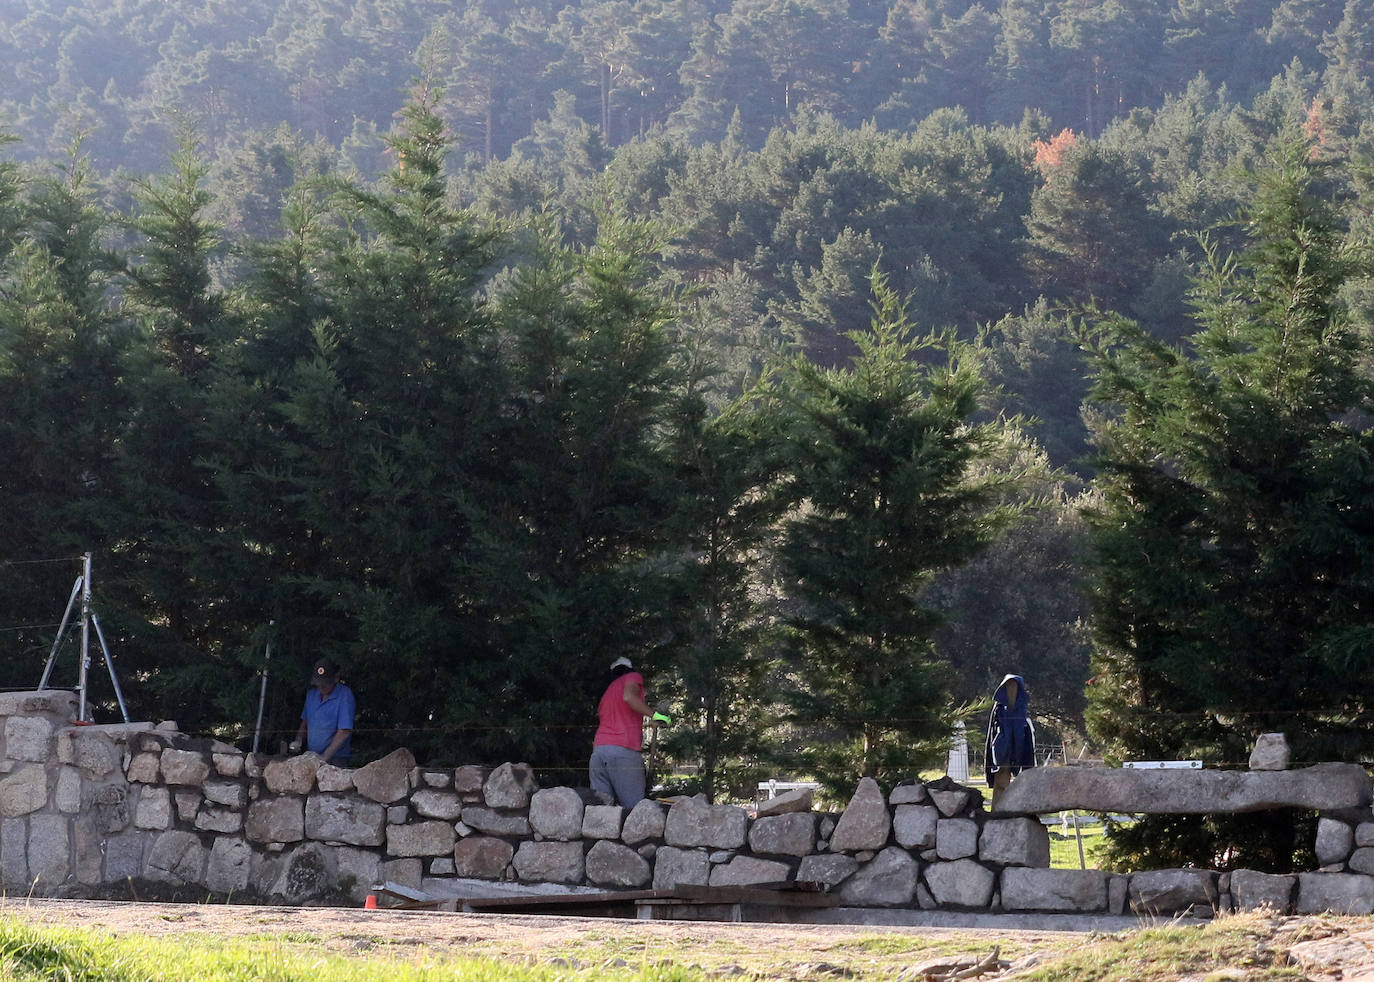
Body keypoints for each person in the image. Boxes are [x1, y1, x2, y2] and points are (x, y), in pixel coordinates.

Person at [589, 656, 666, 808]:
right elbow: (629, 697)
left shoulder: (607, 694)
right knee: (635, 811)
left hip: (598, 753)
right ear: (629, 669)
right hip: (623, 753)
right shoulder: (632, 677)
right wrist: (655, 716)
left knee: (601, 812)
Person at [290, 658, 355, 765]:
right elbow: (305, 723)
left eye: (325, 683)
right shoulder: (311, 695)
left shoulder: (345, 695)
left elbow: (344, 731)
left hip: (336, 759)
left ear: (336, 678)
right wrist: (298, 740)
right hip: (312, 756)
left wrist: (324, 757)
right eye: (318, 683)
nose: (321, 686)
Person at [984, 673, 1035, 807]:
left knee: (1020, 787)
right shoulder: (999, 709)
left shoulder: (1022, 709)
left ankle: (1018, 812)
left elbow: (1025, 732)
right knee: (1000, 784)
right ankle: (996, 815)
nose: (1011, 688)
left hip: (1019, 748)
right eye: (1008, 685)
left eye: (1014, 685)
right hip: (1002, 753)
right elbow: (992, 732)